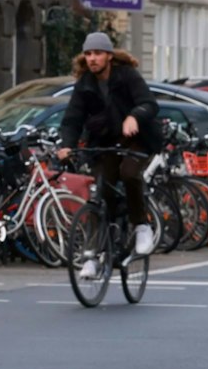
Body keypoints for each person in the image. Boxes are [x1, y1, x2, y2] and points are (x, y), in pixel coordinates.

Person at [56, 32, 161, 265]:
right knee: (101, 191)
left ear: (109, 56)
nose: (92, 58)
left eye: (98, 53)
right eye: (88, 54)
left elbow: (149, 103)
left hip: (137, 139)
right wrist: (67, 146)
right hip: (106, 142)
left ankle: (141, 226)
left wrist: (134, 116)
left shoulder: (127, 76)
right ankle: (95, 253)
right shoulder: (85, 84)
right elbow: (72, 119)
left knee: (129, 174)